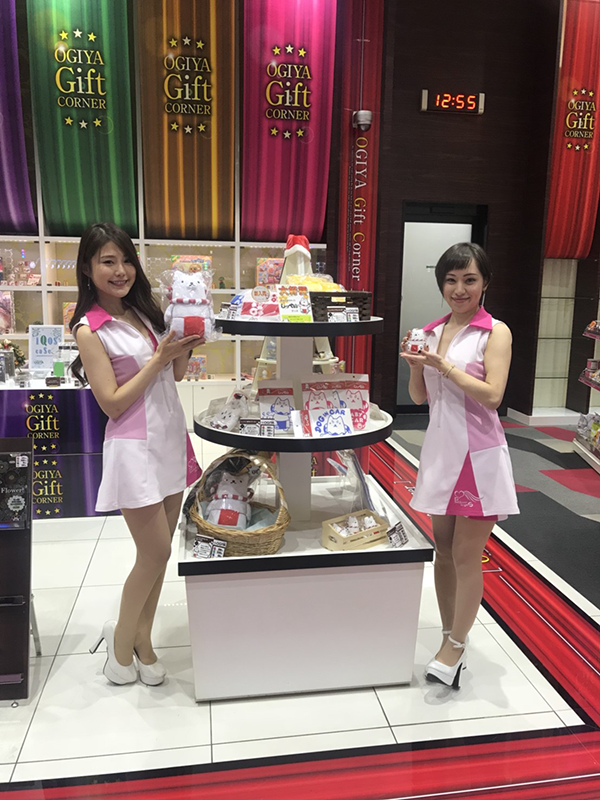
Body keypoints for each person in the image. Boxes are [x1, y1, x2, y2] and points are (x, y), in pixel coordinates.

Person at [70, 222, 204, 686]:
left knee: (159, 557)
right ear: (87, 269)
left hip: (169, 440)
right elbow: (111, 402)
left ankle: (143, 642)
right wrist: (158, 359)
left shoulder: (144, 312)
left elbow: (176, 375)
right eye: (107, 261)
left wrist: (185, 345)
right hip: (133, 450)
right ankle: (119, 648)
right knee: (154, 553)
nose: (120, 270)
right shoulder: (89, 329)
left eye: (126, 260)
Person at [400, 242, 519, 689]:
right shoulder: (430, 331)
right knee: (444, 552)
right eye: (451, 280)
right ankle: (450, 637)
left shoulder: (495, 332)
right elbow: (419, 397)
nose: (459, 289)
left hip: (477, 456)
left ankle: (455, 645)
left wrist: (444, 367)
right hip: (439, 453)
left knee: (468, 557)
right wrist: (417, 367)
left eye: (469, 279)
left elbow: (493, 396)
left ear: (485, 283)